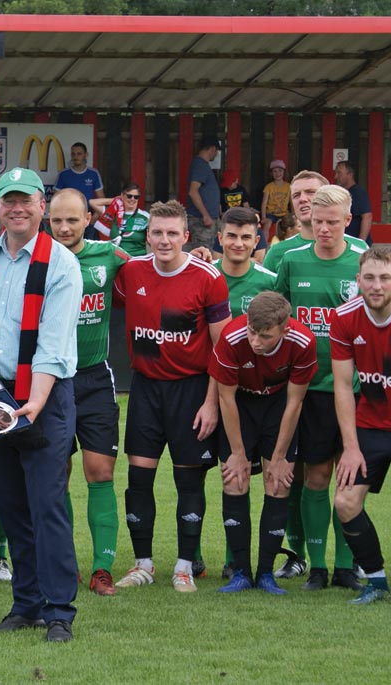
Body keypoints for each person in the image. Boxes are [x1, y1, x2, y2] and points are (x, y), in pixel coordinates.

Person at [0, 167, 82, 643]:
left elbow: (53, 345)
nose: (17, 208)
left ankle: (59, 611)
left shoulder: (61, 264)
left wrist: (36, 400)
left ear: (40, 206)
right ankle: (26, 603)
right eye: (9, 200)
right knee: (10, 502)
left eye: (26, 199)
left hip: (43, 395)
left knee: (47, 502)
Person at [113, 200, 231, 593]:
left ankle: (184, 566)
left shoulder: (207, 276)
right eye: (157, 233)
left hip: (191, 390)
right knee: (138, 479)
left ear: (186, 236)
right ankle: (142, 564)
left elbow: (222, 348)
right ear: (147, 237)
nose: (164, 240)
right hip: (145, 389)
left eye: (171, 233)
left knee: (189, 483)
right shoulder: (130, 272)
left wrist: (211, 403)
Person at [274, 184, 367, 592]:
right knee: (316, 476)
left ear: (348, 221)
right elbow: (274, 317)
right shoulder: (292, 261)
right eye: (317, 221)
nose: (324, 228)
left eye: (332, 222)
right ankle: (316, 566)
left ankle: (347, 566)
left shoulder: (363, 260)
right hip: (308, 390)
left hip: (358, 390)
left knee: (349, 479)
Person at [47, 188, 129, 596]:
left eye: (72, 220)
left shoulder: (109, 257)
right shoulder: (37, 258)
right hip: (49, 380)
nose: (64, 227)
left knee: (101, 472)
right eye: (57, 220)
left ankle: (102, 569)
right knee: (55, 474)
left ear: (86, 221)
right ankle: (65, 565)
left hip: (95, 378)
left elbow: (154, 266)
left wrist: (200, 256)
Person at [209, 291, 316, 595]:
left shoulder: (303, 341)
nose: (256, 341)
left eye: (265, 336)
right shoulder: (232, 338)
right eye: (252, 332)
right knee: (235, 479)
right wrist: (239, 454)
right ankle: (241, 572)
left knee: (278, 482)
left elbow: (295, 402)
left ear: (285, 329)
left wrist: (280, 455)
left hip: (279, 406)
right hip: (240, 405)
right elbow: (225, 398)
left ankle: (266, 573)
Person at [332, 247, 391, 604]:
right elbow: (344, 386)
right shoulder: (344, 318)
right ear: (358, 280)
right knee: (345, 501)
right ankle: (375, 581)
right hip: (370, 425)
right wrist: (350, 447)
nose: (376, 286)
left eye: (384, 278)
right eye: (369, 278)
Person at [214, 207, 277, 318]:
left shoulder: (272, 282)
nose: (238, 244)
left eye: (246, 237)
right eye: (232, 236)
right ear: (220, 238)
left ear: (256, 242)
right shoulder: (203, 275)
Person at [91, 183, 150, 257]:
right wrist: (114, 200)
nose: (132, 199)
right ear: (122, 195)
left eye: (136, 197)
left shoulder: (146, 216)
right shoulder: (113, 212)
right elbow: (92, 202)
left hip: (137, 259)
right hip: (117, 259)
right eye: (129, 196)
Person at [186, 136, 222, 251]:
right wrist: (205, 215)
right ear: (212, 148)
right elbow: (193, 191)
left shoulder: (203, 165)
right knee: (203, 252)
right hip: (201, 220)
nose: (216, 154)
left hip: (209, 219)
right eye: (216, 151)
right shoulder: (199, 165)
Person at [333, 160, 373, 243]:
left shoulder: (358, 193)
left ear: (350, 174)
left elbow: (367, 216)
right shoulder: (342, 193)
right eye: (336, 173)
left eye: (339, 173)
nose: (336, 177)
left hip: (354, 243)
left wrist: (361, 242)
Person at [261, 159, 292, 240]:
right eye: (275, 171)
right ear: (271, 173)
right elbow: (264, 203)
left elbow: (292, 202)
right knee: (267, 223)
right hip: (271, 214)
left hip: (283, 213)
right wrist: (263, 217)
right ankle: (264, 246)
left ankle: (289, 245)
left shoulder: (288, 186)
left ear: (284, 172)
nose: (277, 173)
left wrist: (293, 214)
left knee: (290, 225)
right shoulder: (269, 187)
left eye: (280, 171)